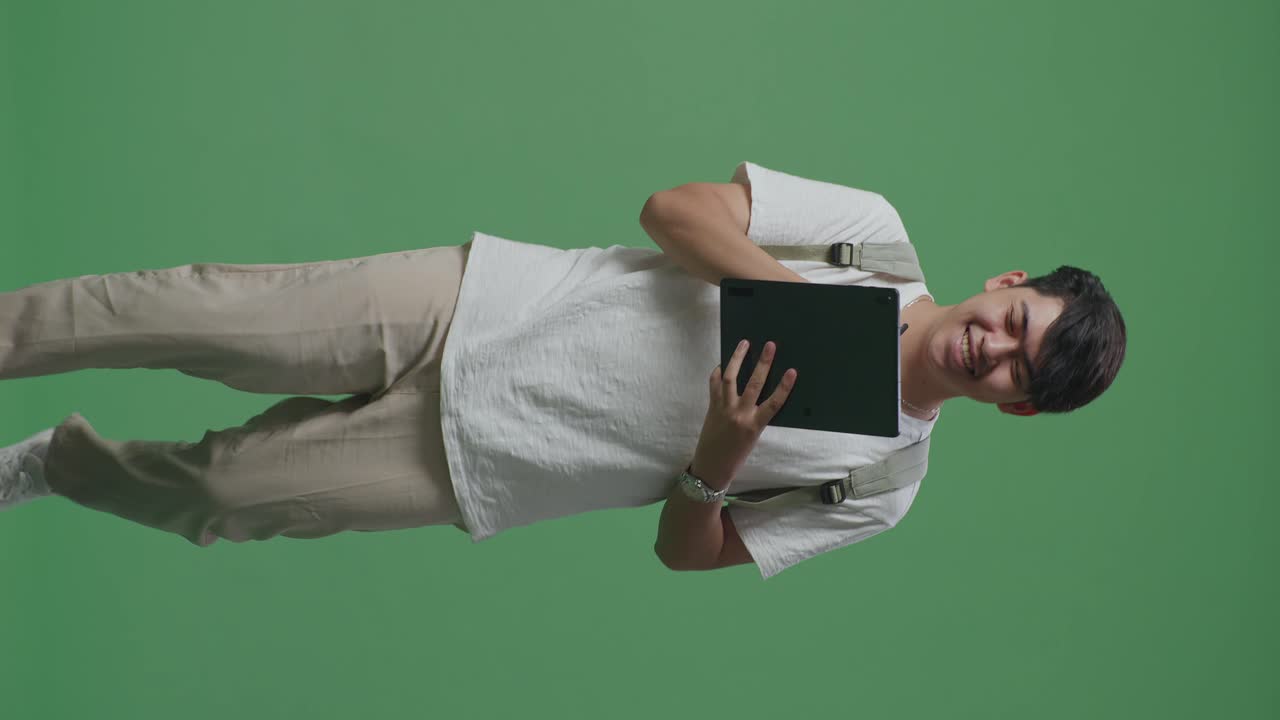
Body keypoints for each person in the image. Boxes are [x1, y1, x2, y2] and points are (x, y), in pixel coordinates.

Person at [0, 161, 1126, 581]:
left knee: (216, 497)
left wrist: (716, 462)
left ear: (1015, 407)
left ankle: (53, 463)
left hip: (481, 465)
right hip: (473, 302)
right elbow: (670, 210)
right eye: (1012, 319)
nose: (991, 346)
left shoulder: (883, 485)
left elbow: (688, 554)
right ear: (1006, 281)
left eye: (1013, 369)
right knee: (190, 312)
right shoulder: (868, 237)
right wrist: (792, 300)